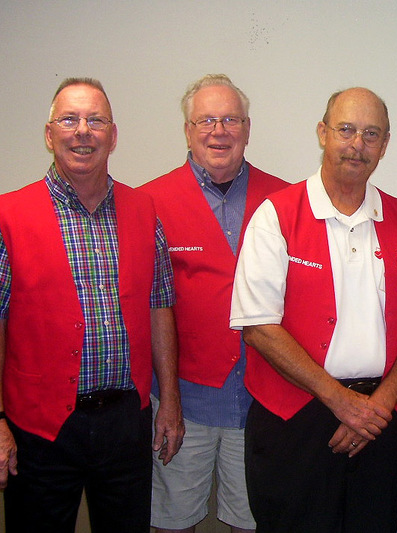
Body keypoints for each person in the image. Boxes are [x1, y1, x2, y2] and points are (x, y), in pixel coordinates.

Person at [230, 87, 397, 532]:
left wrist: (376, 407)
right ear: (323, 133)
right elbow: (259, 328)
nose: (356, 144)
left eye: (371, 134)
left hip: (380, 418)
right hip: (296, 418)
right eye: (346, 129)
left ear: (384, 145)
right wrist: (341, 401)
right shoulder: (276, 215)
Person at [0, 77, 184, 532]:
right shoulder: (8, 216)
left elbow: (159, 306)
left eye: (95, 120)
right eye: (70, 119)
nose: (83, 131)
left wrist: (171, 401)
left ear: (113, 136)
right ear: (49, 135)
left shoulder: (144, 211)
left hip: (126, 422)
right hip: (39, 428)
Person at [140, 74, 288, 533]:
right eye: (206, 120)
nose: (218, 131)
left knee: (252, 521)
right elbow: (145, 306)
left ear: (247, 128)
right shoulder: (149, 202)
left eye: (230, 119)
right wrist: (166, 401)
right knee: (173, 520)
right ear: (188, 130)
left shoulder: (285, 200)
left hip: (261, 399)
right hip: (184, 401)